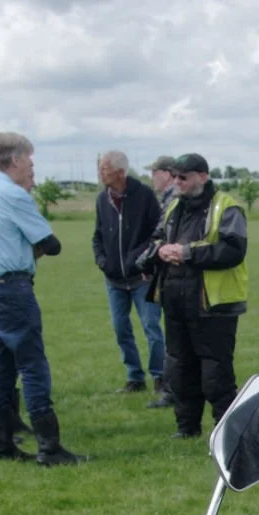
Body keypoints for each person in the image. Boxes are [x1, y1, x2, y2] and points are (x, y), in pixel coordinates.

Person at [0, 130, 84, 467]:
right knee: (32, 367)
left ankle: (0, 443)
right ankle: (49, 447)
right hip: (11, 289)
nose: (32, 167)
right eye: (29, 160)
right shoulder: (13, 195)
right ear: (15, 159)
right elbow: (51, 243)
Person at [136, 153, 248, 439]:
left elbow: (233, 250)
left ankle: (227, 434)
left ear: (202, 176)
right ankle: (187, 428)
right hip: (175, 301)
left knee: (215, 374)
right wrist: (159, 252)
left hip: (212, 305)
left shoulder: (227, 207)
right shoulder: (173, 206)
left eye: (183, 177)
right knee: (180, 368)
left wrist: (188, 253)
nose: (177, 183)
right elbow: (157, 238)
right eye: (174, 177)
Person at [91, 149, 168, 398]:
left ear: (120, 172)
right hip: (113, 280)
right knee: (120, 328)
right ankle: (134, 377)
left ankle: (160, 376)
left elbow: (157, 233)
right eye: (100, 167)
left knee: (151, 327)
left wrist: (140, 259)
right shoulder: (102, 199)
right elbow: (98, 235)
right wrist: (102, 260)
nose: (100, 172)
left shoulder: (144, 196)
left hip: (141, 279)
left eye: (104, 168)